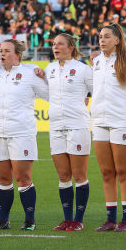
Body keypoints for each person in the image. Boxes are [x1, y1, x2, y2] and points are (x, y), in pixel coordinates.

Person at [0, 39, 48, 231]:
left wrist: (44, 77)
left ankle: (30, 220)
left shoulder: (30, 73)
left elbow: (50, 93)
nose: (2, 54)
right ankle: (4, 220)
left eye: (6, 51)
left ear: (17, 55)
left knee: (23, 178)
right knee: (4, 179)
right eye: (0, 51)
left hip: (21, 132)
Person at [90, 23, 126, 231]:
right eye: (100, 36)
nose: (102, 40)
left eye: (107, 36)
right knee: (106, 172)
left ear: (118, 40)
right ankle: (111, 219)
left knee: (122, 170)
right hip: (100, 121)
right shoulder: (97, 62)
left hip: (121, 121)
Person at [43, 33, 93, 231]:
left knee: (79, 174)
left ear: (71, 47)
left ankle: (78, 220)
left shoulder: (83, 69)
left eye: (60, 44)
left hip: (77, 125)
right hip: (55, 126)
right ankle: (67, 219)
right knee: (63, 175)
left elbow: (100, 89)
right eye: (54, 44)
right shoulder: (49, 69)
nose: (55, 47)